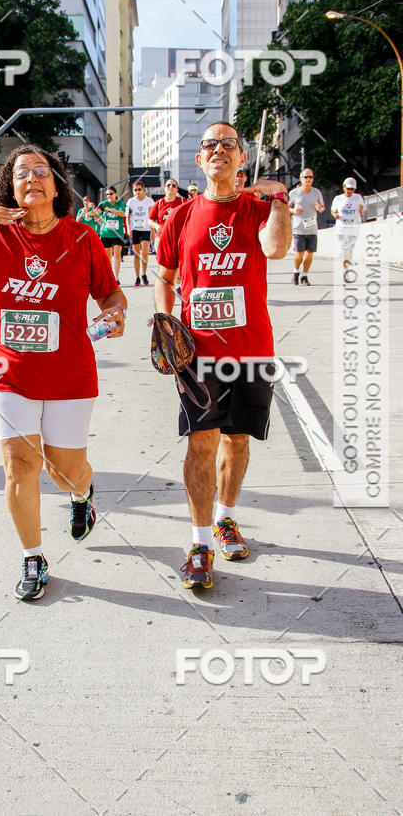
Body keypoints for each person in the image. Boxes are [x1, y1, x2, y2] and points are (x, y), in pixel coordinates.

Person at [0, 144, 127, 601]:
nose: (31, 178)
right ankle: (34, 556)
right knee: (19, 465)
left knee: (64, 471)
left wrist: (114, 315)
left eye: (41, 171)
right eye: (20, 174)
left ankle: (81, 495)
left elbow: (112, 296)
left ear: (56, 184)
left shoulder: (82, 238)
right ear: (8, 189)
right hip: (9, 374)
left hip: (71, 375)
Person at [154, 122, 291, 591]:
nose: (218, 150)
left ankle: (226, 519)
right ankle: (198, 544)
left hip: (252, 349)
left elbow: (276, 247)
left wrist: (280, 200)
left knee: (238, 440)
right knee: (201, 444)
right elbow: (165, 277)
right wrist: (163, 321)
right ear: (199, 160)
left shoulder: (258, 208)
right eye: (209, 145)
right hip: (197, 353)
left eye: (228, 144)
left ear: (241, 158)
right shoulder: (181, 216)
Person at [288, 168, 325, 285]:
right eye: (306, 177)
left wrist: (320, 208)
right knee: (299, 253)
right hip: (299, 228)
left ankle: (304, 276)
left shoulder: (316, 192)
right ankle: (296, 271)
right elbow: (285, 208)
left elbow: (322, 207)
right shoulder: (294, 193)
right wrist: (294, 210)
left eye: (311, 177)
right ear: (300, 179)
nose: (308, 179)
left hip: (312, 228)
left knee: (309, 254)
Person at [91, 186, 127, 282]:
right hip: (106, 233)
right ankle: (109, 276)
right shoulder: (104, 204)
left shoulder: (120, 203)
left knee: (117, 255)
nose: (109, 196)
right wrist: (89, 213)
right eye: (107, 194)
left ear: (115, 194)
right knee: (107, 258)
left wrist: (110, 210)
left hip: (117, 234)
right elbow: (96, 212)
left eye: (111, 193)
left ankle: (116, 277)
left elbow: (123, 213)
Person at [331, 177, 366, 272]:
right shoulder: (338, 199)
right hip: (342, 228)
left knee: (350, 249)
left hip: (354, 227)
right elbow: (333, 211)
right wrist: (336, 215)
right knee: (345, 248)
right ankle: (345, 271)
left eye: (352, 189)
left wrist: (361, 209)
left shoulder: (358, 197)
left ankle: (346, 266)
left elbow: (363, 212)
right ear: (344, 187)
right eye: (348, 188)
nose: (350, 191)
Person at [126, 182, 155, 286]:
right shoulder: (131, 201)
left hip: (146, 229)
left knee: (145, 252)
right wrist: (129, 229)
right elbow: (127, 217)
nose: (137, 192)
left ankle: (144, 273)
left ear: (143, 189)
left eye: (139, 189)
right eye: (135, 190)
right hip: (135, 229)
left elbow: (152, 217)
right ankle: (137, 277)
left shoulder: (149, 201)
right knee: (136, 255)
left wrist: (153, 232)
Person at [149, 177, 185, 250]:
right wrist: (156, 226)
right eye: (168, 185)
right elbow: (150, 220)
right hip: (161, 237)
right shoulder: (158, 203)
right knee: (162, 261)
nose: (171, 187)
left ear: (177, 189)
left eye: (173, 186)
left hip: (178, 238)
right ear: (164, 188)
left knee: (178, 261)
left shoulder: (182, 202)